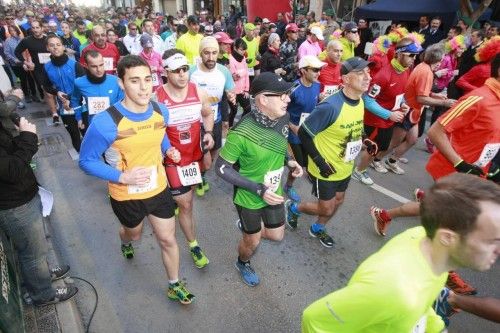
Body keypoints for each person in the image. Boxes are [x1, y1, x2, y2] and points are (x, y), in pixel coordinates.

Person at [302, 173, 500, 333]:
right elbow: (315, 321)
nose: (498, 250)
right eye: (493, 241)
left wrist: (435, 327)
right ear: (448, 238)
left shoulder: (430, 247)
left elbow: (420, 304)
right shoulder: (392, 290)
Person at [371, 55, 500, 295]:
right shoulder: (479, 98)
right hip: (453, 170)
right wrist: (460, 163)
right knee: (454, 222)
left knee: (432, 209)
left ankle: (384, 214)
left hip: (475, 172)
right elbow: (435, 131)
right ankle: (446, 275)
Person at [79, 55, 195, 304]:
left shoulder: (159, 110)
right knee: (134, 234)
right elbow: (86, 161)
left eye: (147, 79)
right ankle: (125, 241)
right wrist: (122, 176)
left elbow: (160, 134)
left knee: (167, 238)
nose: (144, 87)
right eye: (134, 81)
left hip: (158, 189)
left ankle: (174, 284)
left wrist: (167, 150)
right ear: (121, 83)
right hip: (126, 194)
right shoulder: (105, 123)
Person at [215, 72, 303, 286]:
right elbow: (221, 168)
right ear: (263, 99)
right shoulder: (242, 132)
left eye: (288, 94)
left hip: (273, 191)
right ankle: (242, 261)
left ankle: (248, 229)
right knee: (252, 241)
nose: (288, 99)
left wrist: (290, 161)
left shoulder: (282, 117)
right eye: (282, 95)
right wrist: (258, 189)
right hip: (249, 195)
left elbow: (282, 145)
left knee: (277, 236)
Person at [0, 88, 77, 307]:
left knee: (38, 248)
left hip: (24, 194)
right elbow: (12, 169)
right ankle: (42, 294)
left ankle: (41, 273)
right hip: (14, 204)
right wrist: (28, 137)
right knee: (32, 253)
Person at [286, 57, 370, 246]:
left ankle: (318, 228)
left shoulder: (360, 100)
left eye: (368, 72)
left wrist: (365, 140)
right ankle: (294, 207)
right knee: (325, 208)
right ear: (346, 79)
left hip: (345, 166)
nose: (367, 77)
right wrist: (320, 162)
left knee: (338, 201)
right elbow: (305, 134)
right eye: (360, 73)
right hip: (325, 168)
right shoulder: (331, 106)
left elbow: (355, 127)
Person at [154, 49, 215, 269]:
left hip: (194, 156)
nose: (182, 74)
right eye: (176, 71)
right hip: (172, 160)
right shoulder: (157, 98)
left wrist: (208, 134)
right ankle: (194, 244)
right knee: (186, 203)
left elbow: (207, 114)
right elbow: (153, 129)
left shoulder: (198, 91)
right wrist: (167, 149)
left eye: (185, 69)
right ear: (166, 73)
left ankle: (175, 198)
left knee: (186, 200)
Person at [352, 39, 421, 185]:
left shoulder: (405, 71)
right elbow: (368, 100)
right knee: (374, 147)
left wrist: (403, 105)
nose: (413, 59)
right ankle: (359, 171)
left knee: (381, 146)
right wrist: (389, 114)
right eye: (411, 55)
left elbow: (399, 94)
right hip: (376, 120)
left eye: (415, 56)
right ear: (399, 54)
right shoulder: (383, 76)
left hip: (389, 119)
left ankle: (359, 162)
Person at [382, 44, 456, 175]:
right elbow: (421, 98)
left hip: (414, 111)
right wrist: (444, 103)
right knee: (394, 141)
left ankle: (391, 161)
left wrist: (434, 95)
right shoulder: (426, 72)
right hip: (408, 109)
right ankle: (374, 158)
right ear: (436, 60)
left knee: (412, 140)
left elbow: (422, 92)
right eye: (441, 60)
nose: (442, 63)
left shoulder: (424, 68)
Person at [188, 36, 236, 196]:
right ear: (200, 54)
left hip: (215, 118)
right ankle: (197, 177)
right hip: (195, 120)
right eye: (206, 53)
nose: (210, 57)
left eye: (214, 53)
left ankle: (201, 175)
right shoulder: (191, 72)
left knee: (213, 151)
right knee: (201, 157)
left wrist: (231, 96)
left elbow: (230, 91)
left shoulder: (223, 71)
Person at [283, 56, 323, 201]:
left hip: (308, 131)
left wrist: (321, 100)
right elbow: (281, 111)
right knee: (297, 164)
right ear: (303, 71)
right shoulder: (293, 88)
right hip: (293, 134)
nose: (318, 73)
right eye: (315, 70)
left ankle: (309, 174)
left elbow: (315, 103)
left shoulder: (317, 85)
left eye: (319, 70)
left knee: (307, 161)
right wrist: (292, 126)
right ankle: (288, 185)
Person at [39, 34, 86, 152]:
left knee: (87, 134)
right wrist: (57, 92)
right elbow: (46, 86)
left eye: (58, 45)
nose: (55, 47)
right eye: (52, 45)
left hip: (81, 106)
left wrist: (71, 97)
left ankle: (93, 160)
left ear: (63, 47)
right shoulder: (46, 67)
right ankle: (83, 160)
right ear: (47, 48)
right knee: (75, 136)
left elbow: (84, 86)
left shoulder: (75, 64)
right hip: (64, 108)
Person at [70, 50, 124, 132]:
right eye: (94, 66)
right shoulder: (79, 83)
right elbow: (75, 100)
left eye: (101, 65)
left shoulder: (116, 81)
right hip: (94, 125)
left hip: (115, 125)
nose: (99, 69)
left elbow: (122, 104)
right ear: (86, 66)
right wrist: (79, 117)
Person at [228, 38, 251, 127]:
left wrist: (246, 89)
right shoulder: (230, 59)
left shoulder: (244, 58)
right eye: (241, 50)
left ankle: (239, 126)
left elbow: (246, 75)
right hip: (233, 91)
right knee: (234, 111)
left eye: (244, 50)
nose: (243, 52)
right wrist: (241, 72)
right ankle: (229, 127)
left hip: (242, 91)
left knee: (248, 109)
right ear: (235, 48)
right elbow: (234, 76)